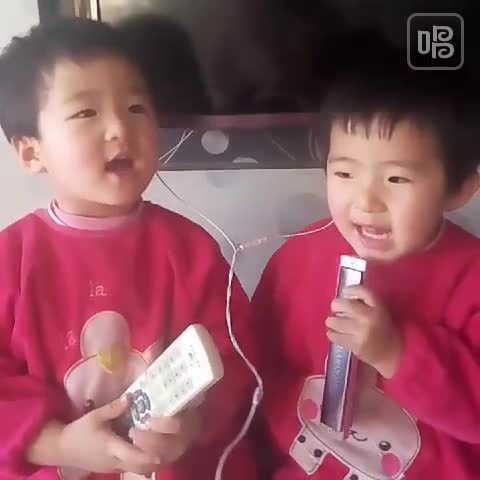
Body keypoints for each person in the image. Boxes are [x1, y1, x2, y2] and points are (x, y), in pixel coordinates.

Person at [0, 17, 257, 480]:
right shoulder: (10, 259)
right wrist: (59, 444)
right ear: (31, 151)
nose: (120, 127)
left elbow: (238, 358)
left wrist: (192, 425)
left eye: (137, 107)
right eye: (86, 113)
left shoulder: (192, 249)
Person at [251, 45, 480, 480]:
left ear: (459, 188)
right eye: (344, 173)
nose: (367, 200)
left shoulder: (472, 277)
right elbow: (256, 367)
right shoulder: (298, 257)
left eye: (396, 178)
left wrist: (398, 353)